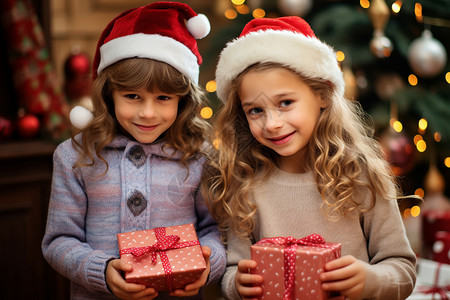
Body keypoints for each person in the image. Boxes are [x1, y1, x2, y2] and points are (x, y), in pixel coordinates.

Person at [203, 16, 416, 300]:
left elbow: (402, 268)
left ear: (323, 95)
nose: (272, 123)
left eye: (285, 103)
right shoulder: (244, 184)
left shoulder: (361, 177)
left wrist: (370, 280)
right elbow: (233, 269)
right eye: (255, 110)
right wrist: (236, 285)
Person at [42, 2, 226, 299]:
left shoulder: (198, 156)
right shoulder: (75, 156)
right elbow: (59, 241)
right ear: (108, 94)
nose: (148, 113)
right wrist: (102, 270)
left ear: (183, 100)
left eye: (164, 97)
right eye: (132, 96)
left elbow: (215, 230)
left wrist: (209, 262)